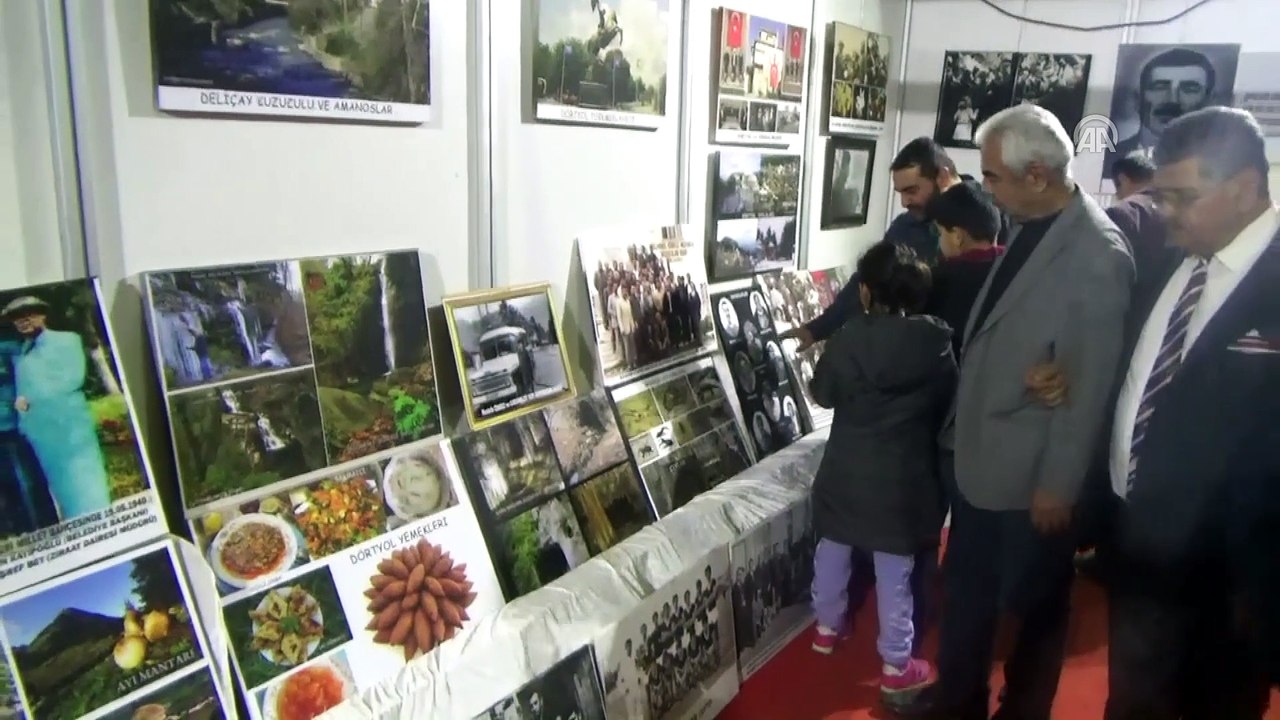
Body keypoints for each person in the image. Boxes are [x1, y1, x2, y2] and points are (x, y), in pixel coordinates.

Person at [915, 104, 1134, 720]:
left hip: (1033, 480)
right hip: (986, 463)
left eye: (992, 176)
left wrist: (1058, 485)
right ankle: (957, 704)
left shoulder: (1096, 252)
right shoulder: (1029, 223)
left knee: (1033, 612)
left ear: (1036, 175)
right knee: (967, 605)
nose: (984, 188)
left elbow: (1087, 386)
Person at [1085, 107, 1278, 719]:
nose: (1163, 212)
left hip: (1229, 578)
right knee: (1133, 701)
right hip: (1135, 543)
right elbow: (1145, 375)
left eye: (1182, 197)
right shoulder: (1175, 256)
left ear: (1245, 188)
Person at [807, 241, 958, 703]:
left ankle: (826, 627)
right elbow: (947, 403)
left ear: (867, 291)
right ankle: (896, 663)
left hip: (846, 469)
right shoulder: (937, 345)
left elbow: (823, 394)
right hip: (904, 478)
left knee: (831, 551)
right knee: (897, 574)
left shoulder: (848, 337)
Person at [4, 296, 113, 522]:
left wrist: (27, 400)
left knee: (85, 485)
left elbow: (71, 379)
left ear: (43, 315)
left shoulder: (67, 341)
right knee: (62, 489)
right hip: (42, 436)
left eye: (29, 314)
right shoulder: (21, 352)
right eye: (16, 318)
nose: (23, 321)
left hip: (71, 431)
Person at [923, 182, 1007, 361]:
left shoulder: (937, 281)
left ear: (957, 236)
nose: (939, 240)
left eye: (939, 233)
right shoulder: (1021, 267)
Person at [1105, 47, 1218, 181]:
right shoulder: (1109, 158)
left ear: (1209, 102)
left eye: (1189, 89)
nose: (1172, 99)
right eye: (1160, 87)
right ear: (1138, 99)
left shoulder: (1221, 165)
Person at [0, 333, 57, 534]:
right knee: (8, 486)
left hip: (15, 426)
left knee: (29, 481)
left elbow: (28, 381)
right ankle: (20, 530)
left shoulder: (10, 349)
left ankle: (44, 528)